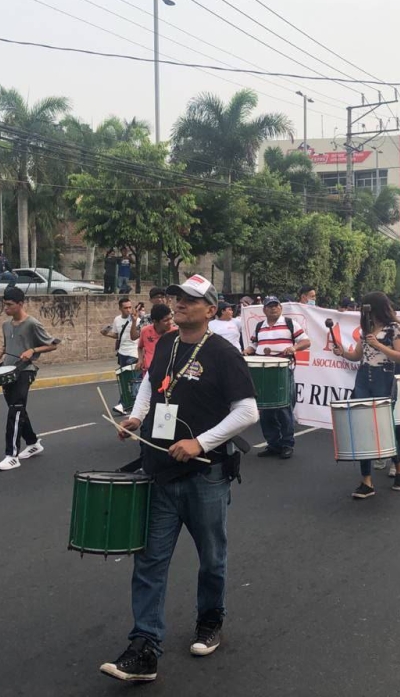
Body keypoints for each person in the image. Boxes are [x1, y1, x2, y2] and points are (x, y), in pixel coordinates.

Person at [101, 275, 259, 683]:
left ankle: (210, 620)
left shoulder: (224, 353)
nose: (180, 304)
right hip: (159, 470)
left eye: (191, 300)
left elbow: (247, 412)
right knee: (150, 560)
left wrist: (200, 443)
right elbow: (152, 386)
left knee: (212, 557)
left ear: (210, 309)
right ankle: (145, 647)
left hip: (205, 476)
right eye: (178, 298)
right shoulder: (168, 342)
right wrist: (137, 416)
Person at [331, 292, 400, 497]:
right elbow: (357, 355)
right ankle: (366, 481)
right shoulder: (367, 329)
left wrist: (378, 345)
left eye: (366, 307)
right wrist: (343, 352)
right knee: (362, 425)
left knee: (385, 426)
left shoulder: (395, 328)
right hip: (363, 377)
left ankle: (399, 466)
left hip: (385, 377)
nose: (363, 311)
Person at [0, 287, 60, 471]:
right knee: (17, 409)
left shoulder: (32, 324)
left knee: (15, 410)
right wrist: (0, 353)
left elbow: (52, 345)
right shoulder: (6, 325)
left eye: (10, 305)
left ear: (21, 304)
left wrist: (33, 350)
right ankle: (33, 442)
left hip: (25, 371)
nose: (6, 309)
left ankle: (11, 455)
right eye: (4, 305)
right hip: (7, 371)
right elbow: (8, 345)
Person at [243, 296, 311, 459]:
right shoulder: (260, 326)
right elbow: (253, 345)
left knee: (283, 408)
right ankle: (273, 444)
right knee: (265, 409)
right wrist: (247, 350)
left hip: (282, 371)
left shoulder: (290, 323)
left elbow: (306, 342)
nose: (273, 308)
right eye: (270, 306)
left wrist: (293, 347)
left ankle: (287, 444)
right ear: (264, 310)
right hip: (262, 371)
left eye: (276, 305)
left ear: (280, 308)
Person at [104, 297, 142, 415]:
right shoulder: (117, 320)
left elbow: (138, 338)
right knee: (124, 381)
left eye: (130, 307)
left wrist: (134, 321)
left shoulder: (138, 321)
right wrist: (106, 334)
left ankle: (124, 404)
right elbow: (117, 335)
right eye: (125, 308)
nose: (128, 310)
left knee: (130, 380)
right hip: (122, 353)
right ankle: (130, 404)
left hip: (133, 353)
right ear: (120, 308)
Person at [137, 304, 175, 374]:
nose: (170, 322)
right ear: (155, 321)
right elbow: (140, 347)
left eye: (171, 318)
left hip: (167, 374)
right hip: (148, 373)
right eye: (166, 320)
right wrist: (140, 360)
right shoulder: (145, 331)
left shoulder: (175, 333)